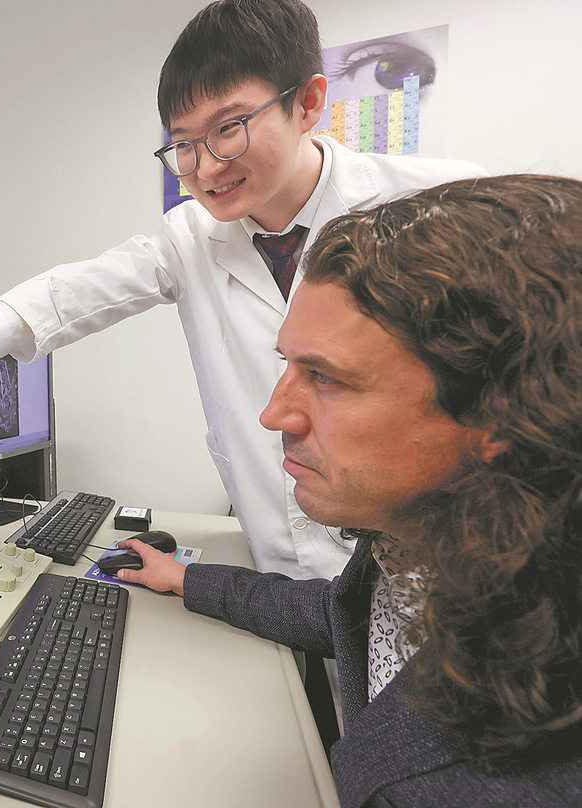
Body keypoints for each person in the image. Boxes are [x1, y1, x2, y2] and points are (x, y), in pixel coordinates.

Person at [0, 0, 485, 581]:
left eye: (228, 129)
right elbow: (79, 291)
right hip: (281, 566)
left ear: (308, 103)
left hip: (436, 566)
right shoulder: (191, 235)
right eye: (183, 143)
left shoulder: (440, 203)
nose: (204, 167)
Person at [120, 174, 582, 805]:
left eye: (326, 378)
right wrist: (187, 580)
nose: (274, 415)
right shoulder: (418, 546)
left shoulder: (482, 780)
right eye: (288, 364)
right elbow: (342, 614)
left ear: (501, 416)